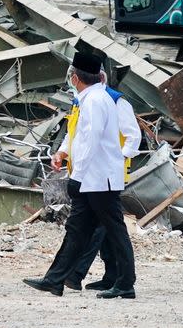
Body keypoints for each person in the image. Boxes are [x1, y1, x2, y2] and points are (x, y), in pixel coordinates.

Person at [23, 52, 137, 299]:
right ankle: (56, 279)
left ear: (75, 78)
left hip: (99, 179)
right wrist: (66, 157)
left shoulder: (96, 101)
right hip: (93, 178)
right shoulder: (88, 99)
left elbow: (91, 141)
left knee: (114, 230)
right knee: (77, 229)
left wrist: (78, 177)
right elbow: (77, 137)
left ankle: (125, 283)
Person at [57, 69, 142, 292]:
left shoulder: (114, 101)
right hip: (87, 172)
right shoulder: (82, 101)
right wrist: (62, 152)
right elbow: (74, 134)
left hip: (105, 173)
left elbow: (133, 137)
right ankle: (111, 276)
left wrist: (116, 157)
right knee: (101, 226)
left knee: (99, 227)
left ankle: (77, 275)